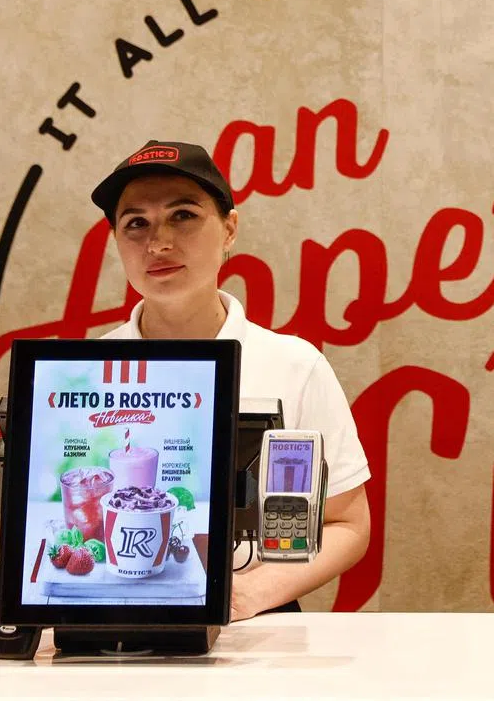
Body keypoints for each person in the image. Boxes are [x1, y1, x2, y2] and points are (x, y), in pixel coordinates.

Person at [91, 140, 371, 620]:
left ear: (229, 229)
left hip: (255, 625)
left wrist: (248, 595)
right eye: (136, 223)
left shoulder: (294, 365)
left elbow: (348, 523)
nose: (158, 243)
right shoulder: (81, 373)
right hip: (106, 613)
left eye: (183, 215)